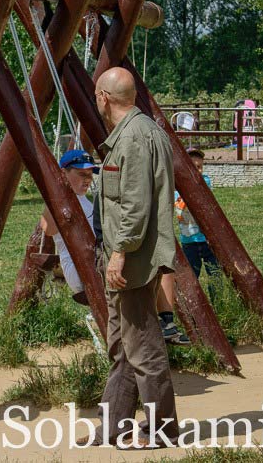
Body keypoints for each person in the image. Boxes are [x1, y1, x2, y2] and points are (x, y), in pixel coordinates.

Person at [89, 67, 179, 448]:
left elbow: (135, 206)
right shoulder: (138, 132)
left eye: (97, 95)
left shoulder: (134, 141)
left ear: (104, 97)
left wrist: (118, 256)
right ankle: (113, 426)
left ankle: (162, 430)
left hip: (132, 261)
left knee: (143, 347)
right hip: (128, 258)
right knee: (122, 346)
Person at [39, 149, 98, 305]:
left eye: (90, 175)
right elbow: (48, 229)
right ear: (63, 173)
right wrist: (56, 192)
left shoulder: (84, 200)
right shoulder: (61, 200)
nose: (88, 180)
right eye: (82, 174)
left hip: (94, 263)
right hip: (80, 269)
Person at [175, 148, 221, 300]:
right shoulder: (176, 188)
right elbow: (179, 208)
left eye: (200, 167)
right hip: (189, 242)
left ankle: (218, 305)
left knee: (215, 276)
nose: (198, 171)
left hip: (208, 240)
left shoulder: (205, 181)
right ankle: (194, 307)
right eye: (193, 168)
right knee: (191, 278)